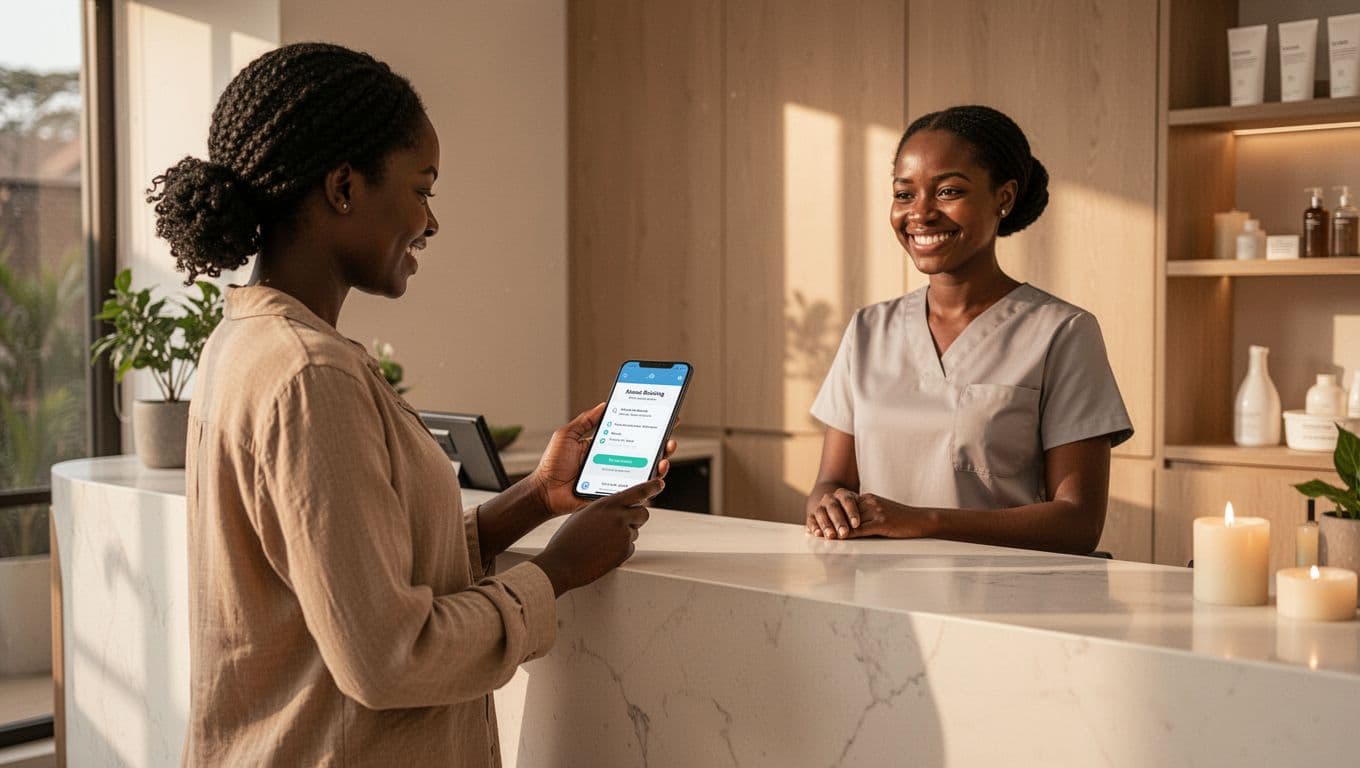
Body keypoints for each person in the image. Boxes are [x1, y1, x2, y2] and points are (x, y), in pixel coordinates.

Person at [149, 43, 668, 767]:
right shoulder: (311, 374)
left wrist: (533, 500)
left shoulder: (249, 343)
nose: (430, 222)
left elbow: (349, 575)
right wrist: (557, 572)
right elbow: (389, 658)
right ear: (343, 187)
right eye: (423, 189)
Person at [804, 105, 1132, 554]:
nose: (921, 213)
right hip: (870, 597)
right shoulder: (867, 330)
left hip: (1001, 601)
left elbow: (1078, 522)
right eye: (904, 194)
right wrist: (829, 506)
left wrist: (923, 522)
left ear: (1005, 197)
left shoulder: (1063, 332)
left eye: (948, 191)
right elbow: (832, 480)